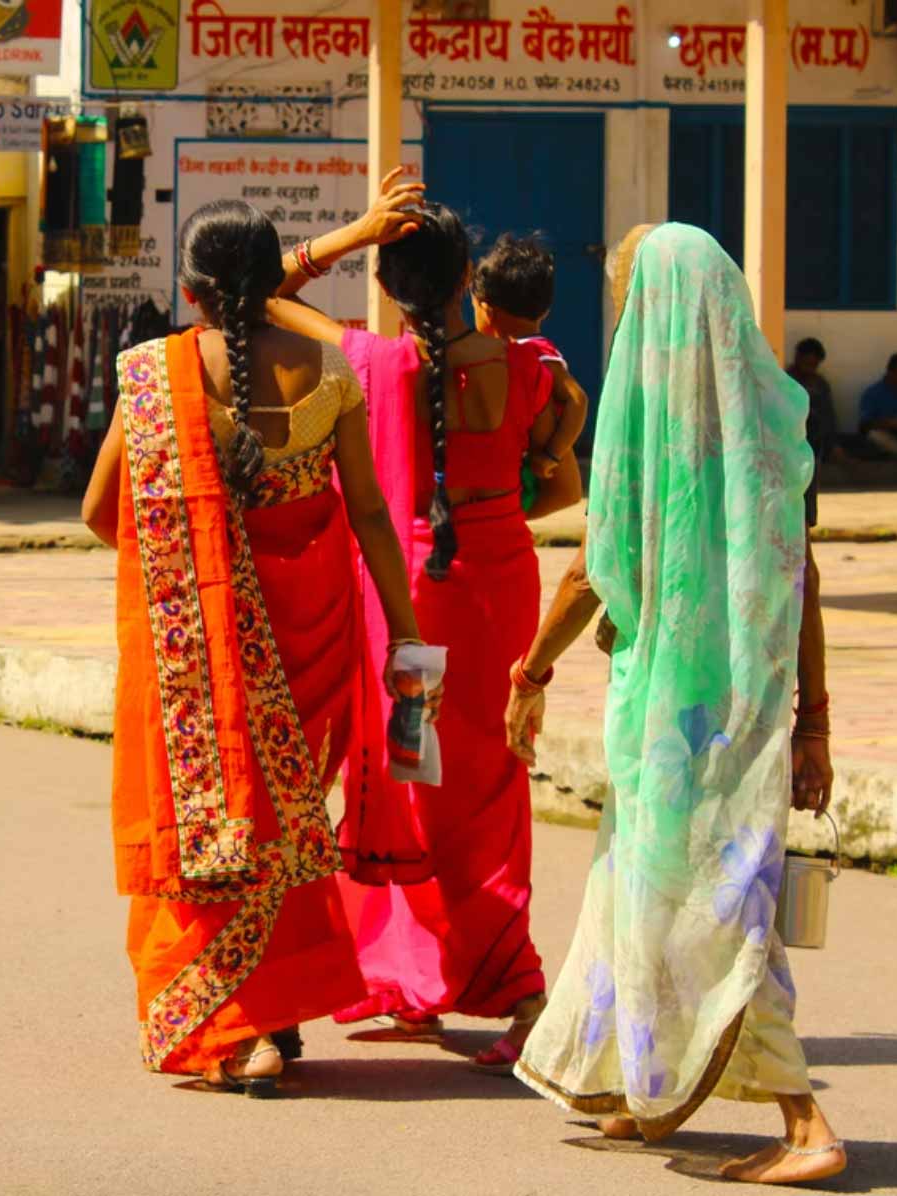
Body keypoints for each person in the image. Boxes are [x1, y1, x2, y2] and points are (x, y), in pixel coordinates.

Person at [505, 223, 846, 1186]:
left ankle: (804, 1122)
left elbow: (590, 573)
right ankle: (631, 1081)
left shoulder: (646, 435)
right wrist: (812, 721)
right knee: (650, 888)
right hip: (740, 719)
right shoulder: (772, 429)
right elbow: (801, 576)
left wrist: (530, 673)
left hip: (670, 723)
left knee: (711, 909)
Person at [80, 197, 433, 1096]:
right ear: (269, 284)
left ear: (194, 294)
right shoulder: (329, 374)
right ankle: (276, 1007)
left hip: (200, 643)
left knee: (218, 820)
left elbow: (95, 513)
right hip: (312, 628)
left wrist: (186, 565)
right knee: (284, 826)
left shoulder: (154, 376)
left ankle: (243, 1031)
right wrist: (408, 630)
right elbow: (370, 517)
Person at [269, 191, 577, 1074]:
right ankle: (494, 980)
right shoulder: (530, 369)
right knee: (488, 784)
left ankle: (455, 974)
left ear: (392, 291)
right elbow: (560, 474)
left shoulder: (372, 363)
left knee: (416, 777)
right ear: (469, 281)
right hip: (502, 584)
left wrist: (352, 234)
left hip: (411, 605)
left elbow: (259, 293)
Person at [470, 234, 591, 497]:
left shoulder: (535, 353)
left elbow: (577, 400)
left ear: (487, 310)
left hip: (531, 470)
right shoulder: (521, 350)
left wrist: (551, 454)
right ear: (545, 310)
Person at [788, 336, 836, 528]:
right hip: (790, 445)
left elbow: (829, 417)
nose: (810, 367)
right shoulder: (786, 381)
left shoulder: (820, 385)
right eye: (807, 362)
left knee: (808, 500)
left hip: (813, 445)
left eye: (814, 364)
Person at [858, 352, 897, 460]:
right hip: (888, 435)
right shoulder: (873, 393)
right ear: (889, 372)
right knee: (874, 436)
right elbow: (864, 426)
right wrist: (891, 423)